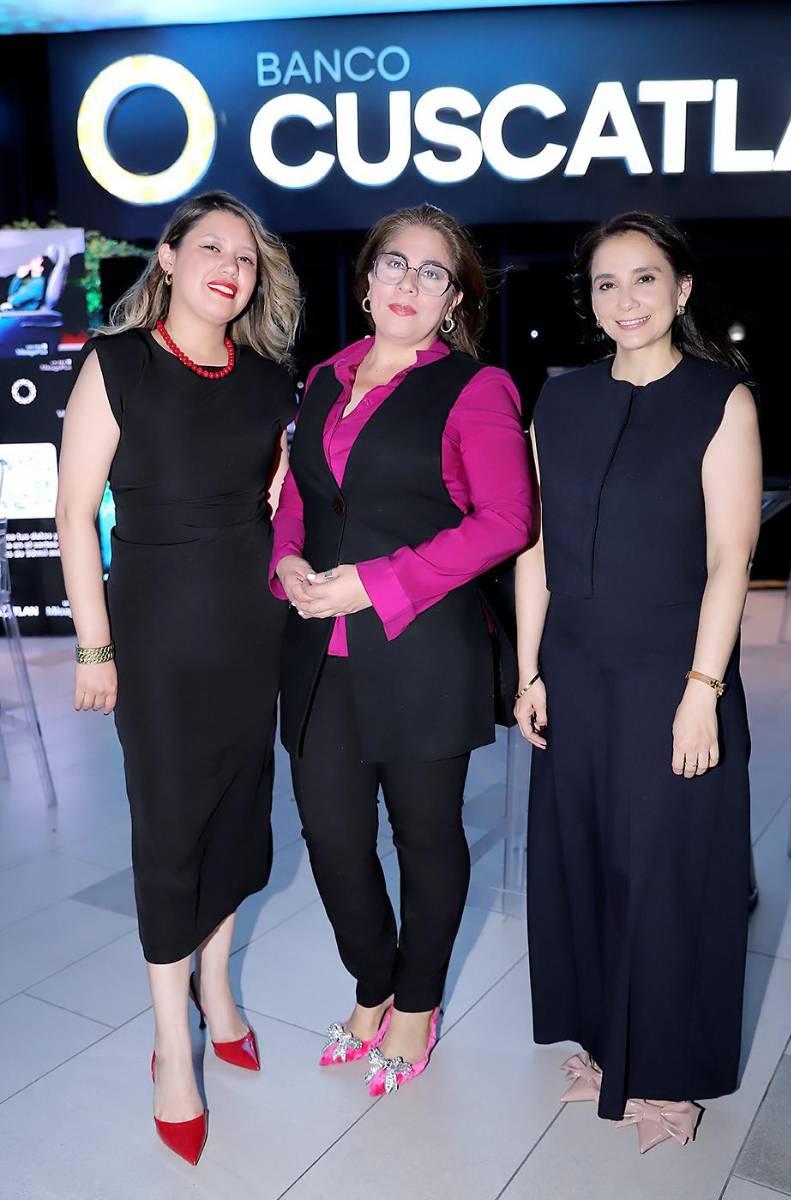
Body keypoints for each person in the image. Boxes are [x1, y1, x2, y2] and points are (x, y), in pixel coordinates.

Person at [56, 191, 301, 1165]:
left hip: (250, 633)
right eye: (211, 248)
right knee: (167, 831)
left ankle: (217, 991)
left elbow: (275, 504)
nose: (230, 269)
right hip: (155, 638)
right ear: (167, 256)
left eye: (245, 257)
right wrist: (94, 646)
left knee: (238, 819)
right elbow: (75, 513)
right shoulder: (117, 364)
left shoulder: (269, 381)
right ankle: (171, 1043)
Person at [271, 203, 535, 1095]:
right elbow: (301, 502)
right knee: (332, 840)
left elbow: (507, 520)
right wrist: (287, 562)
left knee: (425, 838)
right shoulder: (324, 377)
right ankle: (372, 982)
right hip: (319, 656)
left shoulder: (476, 388)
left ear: (455, 299)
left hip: (424, 652)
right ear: (368, 277)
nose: (408, 284)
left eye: (432, 272)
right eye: (394, 263)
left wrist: (377, 582)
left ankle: (414, 1005)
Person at [515, 211, 760, 1153]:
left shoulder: (721, 399)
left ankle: (670, 1071)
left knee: (667, 871)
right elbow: (536, 546)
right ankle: (608, 1047)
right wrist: (529, 670)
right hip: (575, 670)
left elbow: (732, 557)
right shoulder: (560, 400)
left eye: (645, 278)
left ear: (681, 288)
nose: (626, 299)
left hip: (671, 671)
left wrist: (703, 689)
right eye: (607, 283)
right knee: (585, 862)